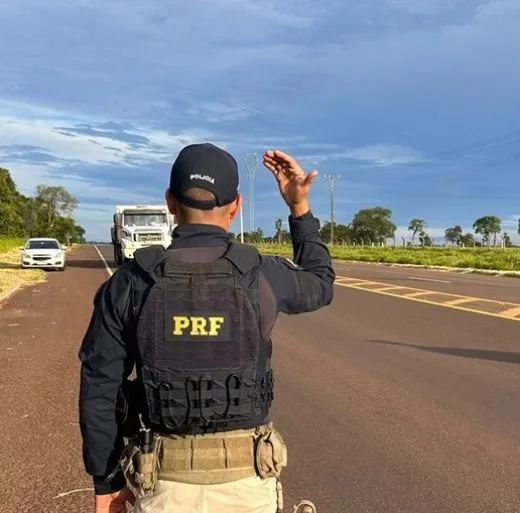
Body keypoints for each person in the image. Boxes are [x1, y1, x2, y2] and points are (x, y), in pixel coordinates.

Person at [77, 143, 335, 513]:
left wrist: (108, 483)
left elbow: (100, 390)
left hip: (163, 487)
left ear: (170, 201)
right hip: (248, 488)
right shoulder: (262, 274)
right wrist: (298, 207)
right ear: (236, 206)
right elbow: (320, 282)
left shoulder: (130, 283)